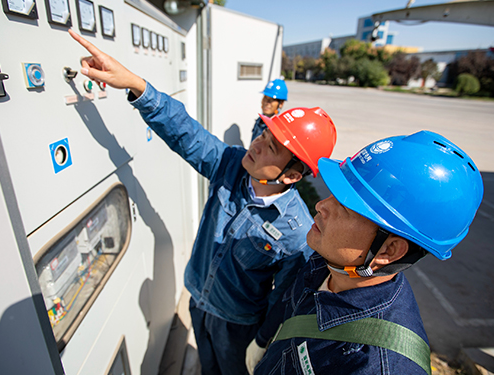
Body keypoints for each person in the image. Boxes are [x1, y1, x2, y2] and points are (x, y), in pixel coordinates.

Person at [68, 30, 338, 375]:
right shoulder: (230, 164)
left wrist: (263, 341)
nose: (256, 144)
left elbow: (284, 298)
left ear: (291, 176)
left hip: (237, 325)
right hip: (198, 298)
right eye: (264, 134)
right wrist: (136, 85)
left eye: (270, 147)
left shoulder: (296, 232)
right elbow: (185, 133)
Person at [246, 131, 484, 375]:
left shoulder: (379, 365)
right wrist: (264, 339)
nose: (321, 205)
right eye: (334, 194)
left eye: (346, 207)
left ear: (389, 250)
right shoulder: (327, 261)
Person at [251, 78, 288, 142]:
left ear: (281, 103)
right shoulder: (259, 121)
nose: (266, 103)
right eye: (265, 98)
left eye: (271, 100)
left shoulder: (277, 130)